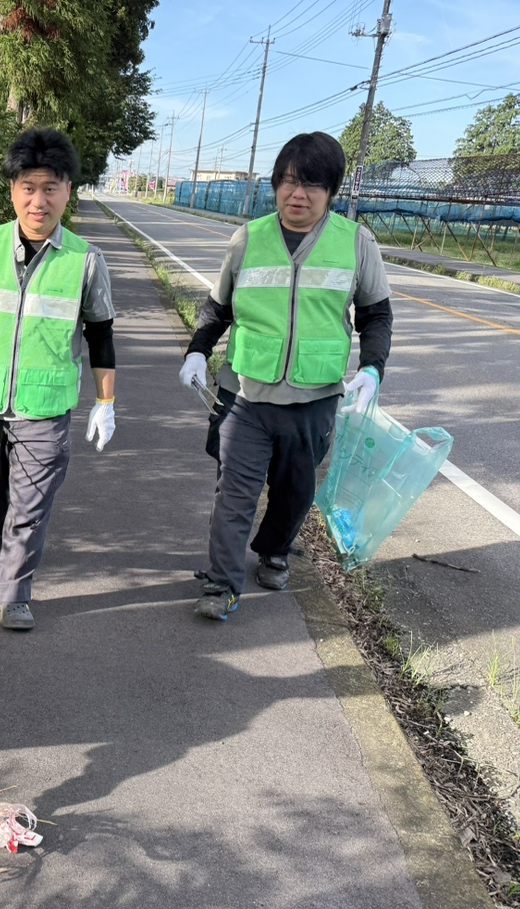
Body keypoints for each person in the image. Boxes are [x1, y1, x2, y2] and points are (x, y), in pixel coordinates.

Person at [178, 131, 392, 620]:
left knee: (295, 494)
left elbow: (376, 315)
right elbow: (218, 308)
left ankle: (274, 549)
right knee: (234, 492)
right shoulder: (248, 239)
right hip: (245, 394)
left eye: (311, 184)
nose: (298, 194)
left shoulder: (356, 244)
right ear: (275, 184)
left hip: (314, 398)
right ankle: (221, 585)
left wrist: (372, 370)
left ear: (331, 190)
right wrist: (197, 352)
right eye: (289, 182)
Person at [0, 128, 117, 632]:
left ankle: (16, 592)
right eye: (28, 187)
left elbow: (101, 335)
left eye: (51, 187)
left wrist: (106, 402)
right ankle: (6, 551)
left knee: (30, 506)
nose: (39, 201)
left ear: (68, 191)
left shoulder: (85, 260)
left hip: (45, 409)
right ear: (13, 190)